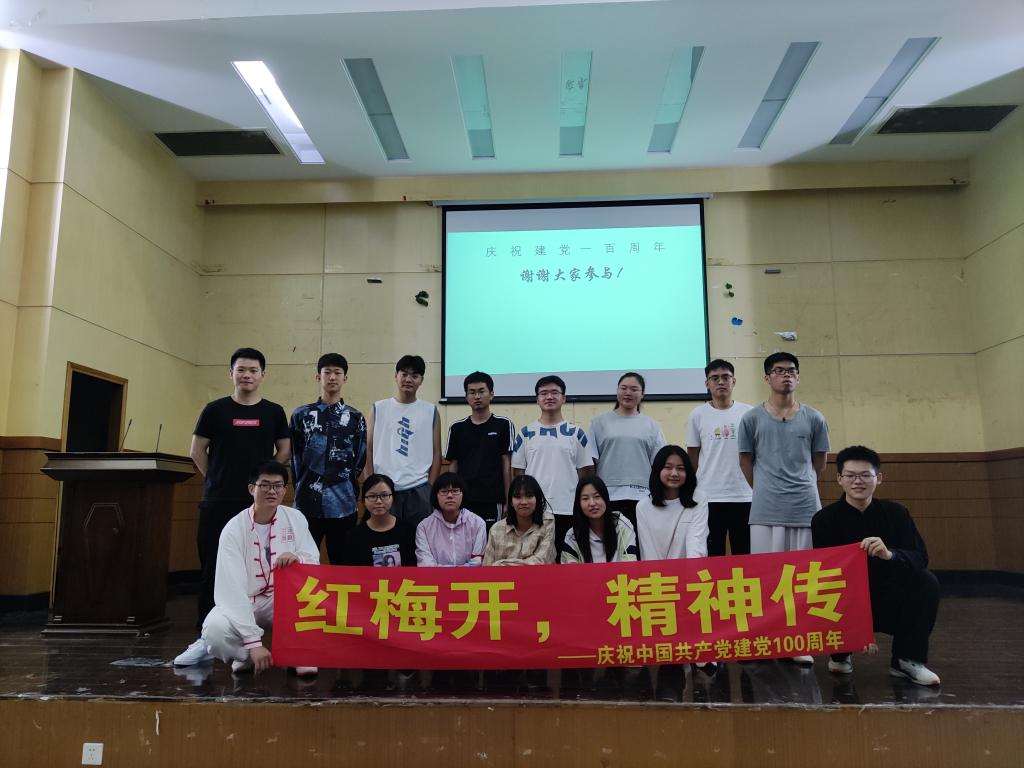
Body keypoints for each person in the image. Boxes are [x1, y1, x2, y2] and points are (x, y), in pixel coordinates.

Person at [175, 347, 291, 667]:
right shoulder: (215, 410)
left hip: (258, 506)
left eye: (253, 370)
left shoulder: (274, 412)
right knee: (213, 569)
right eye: (241, 370)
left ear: (262, 375)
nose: (247, 375)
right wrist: (215, 478)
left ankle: (251, 639)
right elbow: (197, 450)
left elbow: (284, 449)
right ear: (231, 373)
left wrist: (264, 484)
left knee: (258, 570)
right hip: (218, 501)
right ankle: (205, 639)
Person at [812, 445, 940, 686]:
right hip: (845, 598)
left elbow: (920, 557)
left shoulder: (897, 513)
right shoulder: (824, 520)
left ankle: (906, 660)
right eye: (850, 475)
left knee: (926, 581)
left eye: (865, 475)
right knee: (826, 591)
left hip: (888, 597)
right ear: (839, 479)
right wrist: (859, 630)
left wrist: (890, 554)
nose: (857, 481)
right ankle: (840, 653)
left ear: (878, 478)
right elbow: (824, 575)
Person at [738, 352, 829, 665]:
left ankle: (798, 638)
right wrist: (765, 489)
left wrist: (803, 484)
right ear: (767, 378)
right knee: (767, 577)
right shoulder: (751, 418)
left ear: (798, 377)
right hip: (765, 509)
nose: (785, 375)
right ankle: (767, 636)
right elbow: (746, 460)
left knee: (802, 577)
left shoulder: (814, 418)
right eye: (778, 371)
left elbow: (819, 462)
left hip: (805, 507)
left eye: (791, 370)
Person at [200, 461, 320, 677]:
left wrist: (298, 558)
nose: (272, 491)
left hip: (282, 597)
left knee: (314, 599)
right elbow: (232, 590)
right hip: (246, 600)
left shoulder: (295, 518)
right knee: (214, 630)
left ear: (285, 490)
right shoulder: (233, 529)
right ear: (251, 488)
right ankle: (245, 655)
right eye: (265, 485)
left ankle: (299, 653)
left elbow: (313, 560)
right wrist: (253, 642)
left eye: (278, 485)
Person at [636, 445, 713, 681]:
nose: (674, 473)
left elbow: (696, 543)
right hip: (659, 582)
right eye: (668, 467)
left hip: (691, 577)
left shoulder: (699, 500)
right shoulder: (643, 506)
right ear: (657, 470)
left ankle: (700, 649)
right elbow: (648, 552)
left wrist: (690, 582)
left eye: (680, 468)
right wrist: (663, 586)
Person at [290, 353, 367, 565]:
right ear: (318, 377)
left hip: (343, 503)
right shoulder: (301, 414)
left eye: (337, 373)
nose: (332, 377)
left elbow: (360, 457)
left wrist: (344, 480)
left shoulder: (355, 417)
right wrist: (303, 484)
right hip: (307, 501)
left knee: (343, 562)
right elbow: (295, 457)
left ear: (345, 378)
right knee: (304, 561)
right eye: (327, 373)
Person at [511, 375, 594, 555]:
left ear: (564, 398)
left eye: (554, 392)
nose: (549, 397)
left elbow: (586, 474)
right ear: (537, 399)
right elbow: (518, 474)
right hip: (535, 511)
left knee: (567, 560)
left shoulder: (576, 433)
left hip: (568, 508)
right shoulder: (525, 433)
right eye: (544, 393)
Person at [686, 359, 753, 556]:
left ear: (734, 381)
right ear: (707, 384)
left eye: (725, 377)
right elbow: (692, 456)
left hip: (744, 495)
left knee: (745, 553)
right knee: (712, 555)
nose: (721, 382)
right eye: (714, 378)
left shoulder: (749, 413)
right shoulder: (697, 414)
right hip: (709, 496)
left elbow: (756, 454)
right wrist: (690, 491)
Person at [365, 354, 441, 528]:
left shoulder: (430, 411)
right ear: (396, 376)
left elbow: (437, 452)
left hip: (419, 488)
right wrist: (370, 485)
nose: (408, 379)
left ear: (421, 380)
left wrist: (430, 487)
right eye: (404, 374)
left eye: (414, 375)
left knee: (419, 539)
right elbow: (368, 448)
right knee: (385, 539)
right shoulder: (379, 408)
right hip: (384, 489)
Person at [589, 372, 666, 530]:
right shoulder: (598, 423)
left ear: (642, 394)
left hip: (642, 497)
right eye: (623, 388)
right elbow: (590, 462)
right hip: (607, 495)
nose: (628, 393)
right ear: (617, 391)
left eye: (634, 389)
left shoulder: (653, 426)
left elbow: (660, 465)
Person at [445, 371, 515, 525]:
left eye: (481, 391)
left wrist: (508, 500)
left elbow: (507, 464)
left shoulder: (503, 424)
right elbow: (453, 466)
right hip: (464, 499)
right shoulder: (457, 428)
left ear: (491, 394)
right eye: (472, 392)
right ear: (466, 397)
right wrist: (452, 498)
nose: (477, 396)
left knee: (492, 538)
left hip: (493, 498)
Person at [561, 475, 639, 564]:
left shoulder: (623, 526)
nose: (592, 503)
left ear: (605, 498)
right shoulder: (573, 535)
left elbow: (630, 565)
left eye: (597, 496)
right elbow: (570, 570)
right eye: (585, 498)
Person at [342, 474, 416, 567]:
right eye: (372, 496)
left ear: (393, 498)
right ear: (364, 501)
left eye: (384, 495)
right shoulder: (354, 535)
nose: (379, 501)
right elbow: (351, 570)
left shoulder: (408, 530)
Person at [415, 472, 486, 567]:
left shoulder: (478, 524)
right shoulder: (424, 527)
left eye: (455, 491)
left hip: (469, 577)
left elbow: (477, 563)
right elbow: (426, 565)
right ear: (436, 495)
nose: (450, 495)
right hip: (435, 577)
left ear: (463, 494)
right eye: (444, 491)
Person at [483, 474, 556, 566]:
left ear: (537, 499)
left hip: (539, 575)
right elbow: (487, 568)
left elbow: (541, 561)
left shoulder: (547, 522)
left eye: (529, 496)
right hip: (503, 576)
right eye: (517, 497)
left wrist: (500, 564)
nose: (524, 502)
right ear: (511, 502)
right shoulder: (496, 529)